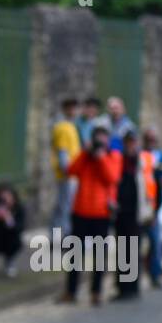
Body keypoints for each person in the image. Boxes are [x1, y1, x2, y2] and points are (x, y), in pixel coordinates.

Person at [61, 125, 122, 305]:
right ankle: (70, 292)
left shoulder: (113, 156)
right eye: (97, 138)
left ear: (108, 140)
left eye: (103, 138)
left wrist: (101, 157)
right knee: (75, 255)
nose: (99, 142)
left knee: (99, 256)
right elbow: (71, 171)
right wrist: (85, 153)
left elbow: (112, 178)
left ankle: (96, 292)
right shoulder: (85, 157)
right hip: (80, 211)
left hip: (101, 213)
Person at [111, 130, 155, 301]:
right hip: (121, 211)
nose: (130, 145)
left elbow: (150, 186)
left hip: (137, 212)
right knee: (122, 250)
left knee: (133, 250)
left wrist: (150, 211)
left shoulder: (142, 162)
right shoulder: (118, 160)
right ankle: (123, 288)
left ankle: (132, 287)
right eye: (128, 142)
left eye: (133, 142)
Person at [50, 98, 81, 237]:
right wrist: (68, 171)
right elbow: (63, 152)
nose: (73, 111)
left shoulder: (70, 126)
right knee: (65, 207)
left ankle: (56, 235)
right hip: (67, 174)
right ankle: (63, 237)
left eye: (75, 108)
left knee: (62, 206)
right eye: (71, 108)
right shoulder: (63, 127)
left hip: (71, 173)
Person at [142, 126, 162, 288]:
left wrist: (156, 210)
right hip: (138, 207)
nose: (152, 142)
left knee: (155, 243)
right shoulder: (138, 155)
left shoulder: (160, 157)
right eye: (149, 139)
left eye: (154, 139)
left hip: (152, 207)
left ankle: (155, 275)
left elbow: (161, 185)